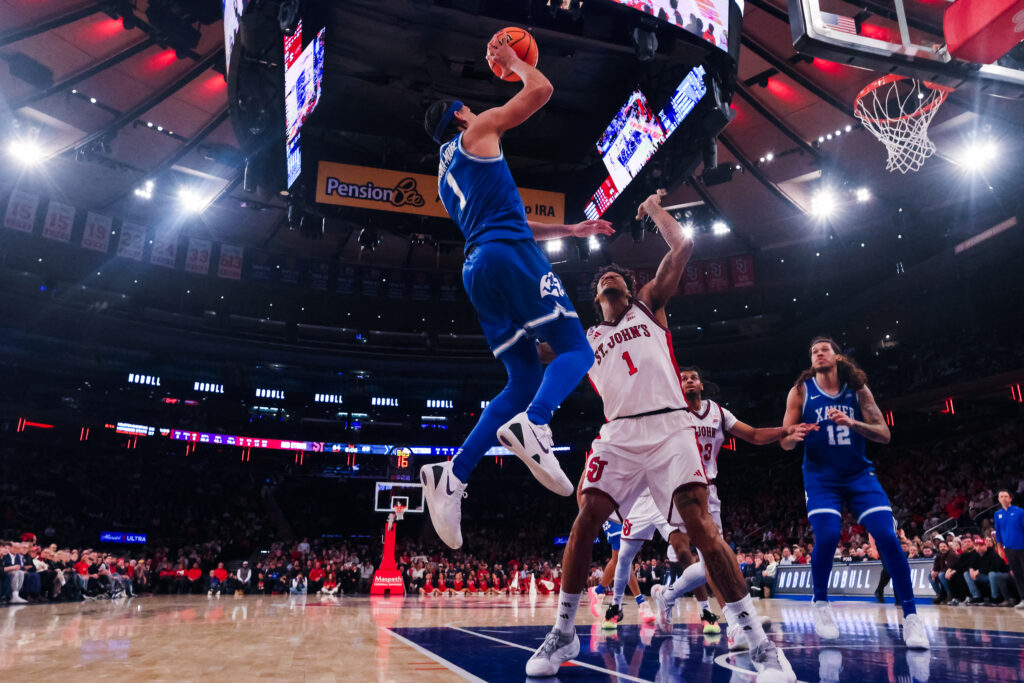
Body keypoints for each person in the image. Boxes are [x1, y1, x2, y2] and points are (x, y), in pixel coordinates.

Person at [526, 191, 793, 682]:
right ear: (595, 297)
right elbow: (531, 348)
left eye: (618, 277)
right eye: (603, 279)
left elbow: (682, 248)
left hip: (670, 426)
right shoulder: (584, 339)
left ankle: (758, 642)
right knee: (585, 520)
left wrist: (651, 208)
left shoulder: (649, 305)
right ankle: (563, 632)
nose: (610, 278)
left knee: (701, 527)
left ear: (630, 289)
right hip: (619, 433)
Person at [419, 36, 614, 550]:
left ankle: (453, 476)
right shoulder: (478, 129)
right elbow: (542, 90)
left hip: (478, 267)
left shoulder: (444, 174)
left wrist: (569, 230)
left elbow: (510, 220)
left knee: (524, 377)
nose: (474, 108)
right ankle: (536, 424)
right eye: (467, 106)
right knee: (577, 349)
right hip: (507, 256)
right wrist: (514, 63)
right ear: (460, 115)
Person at [648, 366, 814, 645]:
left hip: (709, 491)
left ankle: (668, 594)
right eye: (683, 379)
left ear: (701, 384)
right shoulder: (671, 413)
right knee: (715, 558)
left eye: (693, 378)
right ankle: (735, 623)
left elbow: (754, 435)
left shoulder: (717, 412)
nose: (689, 381)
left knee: (711, 561)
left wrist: (785, 429)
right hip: (680, 490)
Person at [781, 337, 928, 648]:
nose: (818, 354)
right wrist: (794, 435)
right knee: (828, 535)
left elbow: (884, 434)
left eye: (824, 350)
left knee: (886, 536)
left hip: (859, 474)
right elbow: (785, 442)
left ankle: (911, 617)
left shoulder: (858, 390)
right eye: (813, 352)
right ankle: (821, 602)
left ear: (837, 357)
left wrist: (853, 422)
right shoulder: (800, 391)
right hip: (821, 477)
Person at [994, 488, 1024, 608]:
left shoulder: (1020, 512)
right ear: (998, 499)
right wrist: (999, 547)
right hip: (1009, 548)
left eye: (1006, 496)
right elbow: (998, 531)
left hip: (1022, 547)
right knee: (1017, 574)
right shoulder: (997, 514)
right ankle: (1023, 598)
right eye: (1001, 496)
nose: (1004, 498)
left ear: (1010, 498)